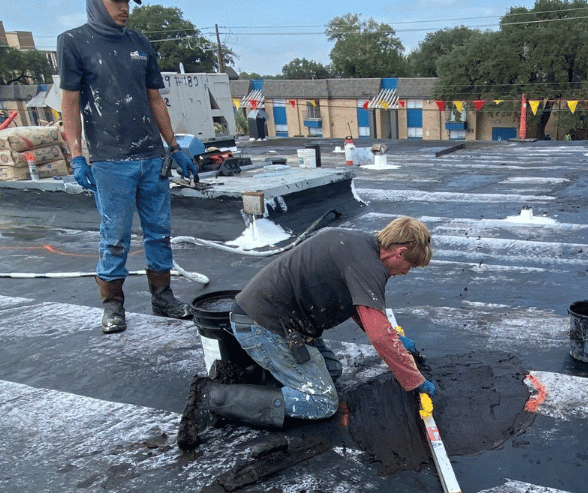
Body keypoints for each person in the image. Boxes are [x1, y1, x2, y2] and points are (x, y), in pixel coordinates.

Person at [178, 216, 435, 450]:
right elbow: (378, 337)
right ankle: (213, 398)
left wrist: (394, 338)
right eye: (409, 265)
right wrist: (414, 380)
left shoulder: (357, 245)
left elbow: (360, 308)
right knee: (321, 401)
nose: (405, 272)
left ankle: (249, 376)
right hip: (266, 327)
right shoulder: (369, 266)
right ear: (399, 253)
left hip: (276, 321)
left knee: (332, 370)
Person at [57, 0, 199, 334]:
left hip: (151, 157)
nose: (124, 8)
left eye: (127, 1)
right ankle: (113, 307)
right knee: (115, 237)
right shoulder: (74, 42)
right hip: (110, 161)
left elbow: (154, 99)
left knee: (160, 232)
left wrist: (174, 147)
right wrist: (77, 155)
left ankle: (163, 298)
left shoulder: (139, 42)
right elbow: (71, 102)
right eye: (116, 1)